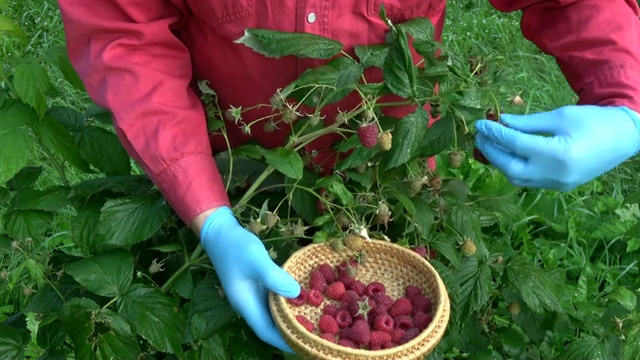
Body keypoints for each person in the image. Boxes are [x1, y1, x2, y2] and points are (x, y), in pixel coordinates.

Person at [56, 0, 640, 353]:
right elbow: (122, 31)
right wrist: (206, 211)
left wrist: (625, 101)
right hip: (235, 176)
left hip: (396, 184)